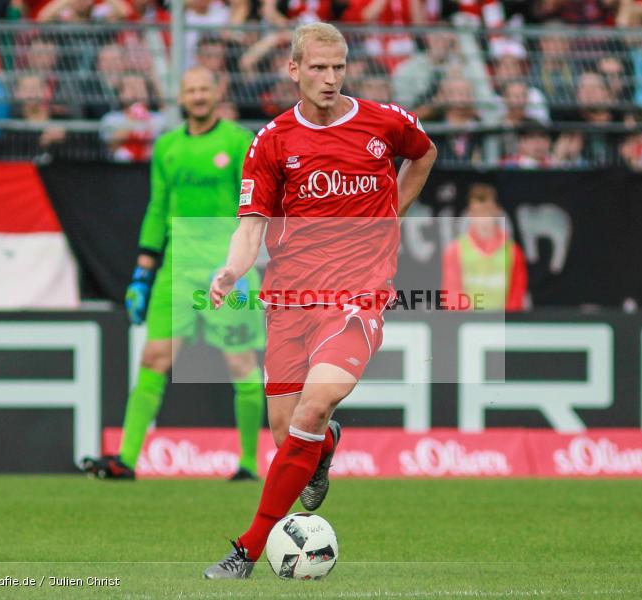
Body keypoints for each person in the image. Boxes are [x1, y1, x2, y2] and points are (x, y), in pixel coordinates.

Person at [204, 22, 436, 579]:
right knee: (290, 434)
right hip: (289, 297)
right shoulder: (273, 142)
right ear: (294, 70)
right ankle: (324, 445)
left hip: (359, 294)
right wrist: (233, 270)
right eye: (318, 69)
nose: (330, 79)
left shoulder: (387, 122)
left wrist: (391, 215)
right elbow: (252, 224)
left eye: (337, 68)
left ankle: (247, 549)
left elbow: (423, 155)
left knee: (312, 405)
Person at [80, 66, 266, 482]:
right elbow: (157, 209)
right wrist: (142, 273)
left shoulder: (238, 142)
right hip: (177, 271)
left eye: (204, 88)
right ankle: (126, 460)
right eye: (191, 90)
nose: (198, 96)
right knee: (154, 356)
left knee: (240, 362)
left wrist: (245, 262)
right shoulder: (166, 147)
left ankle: (250, 463)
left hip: (227, 269)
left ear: (216, 92)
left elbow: (255, 206)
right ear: (180, 97)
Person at [441, 183, 527, 311]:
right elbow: (451, 296)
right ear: (469, 214)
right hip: (469, 325)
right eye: (478, 213)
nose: (483, 219)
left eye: (487, 212)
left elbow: (516, 298)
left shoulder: (513, 252)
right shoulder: (455, 251)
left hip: (503, 325)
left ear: (497, 211)